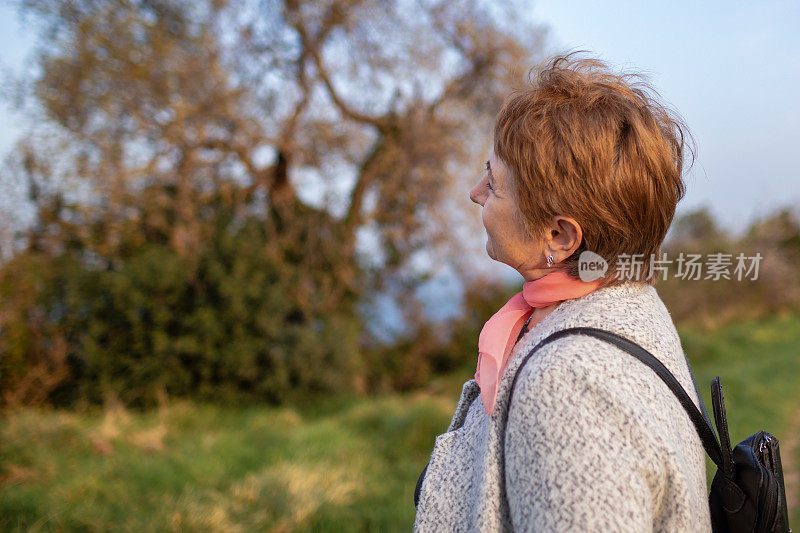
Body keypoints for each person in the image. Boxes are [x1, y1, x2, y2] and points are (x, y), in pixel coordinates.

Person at [413, 52, 712, 532]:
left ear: (559, 237)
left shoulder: (570, 386)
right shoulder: (629, 300)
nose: (474, 191)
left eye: (493, 182)